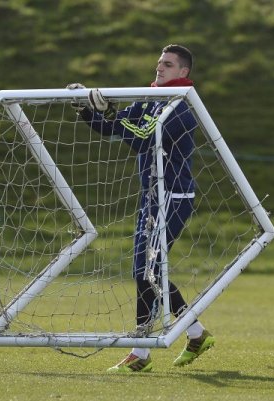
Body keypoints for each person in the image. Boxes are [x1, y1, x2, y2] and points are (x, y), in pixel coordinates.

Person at [67, 44, 214, 373]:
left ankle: (150, 348)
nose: (160, 67)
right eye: (160, 62)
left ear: (183, 72)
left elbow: (144, 137)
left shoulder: (182, 106)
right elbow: (111, 128)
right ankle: (183, 338)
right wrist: (86, 110)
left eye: (169, 64)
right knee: (147, 273)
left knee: (148, 271)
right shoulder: (148, 97)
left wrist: (110, 113)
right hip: (151, 198)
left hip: (173, 197)